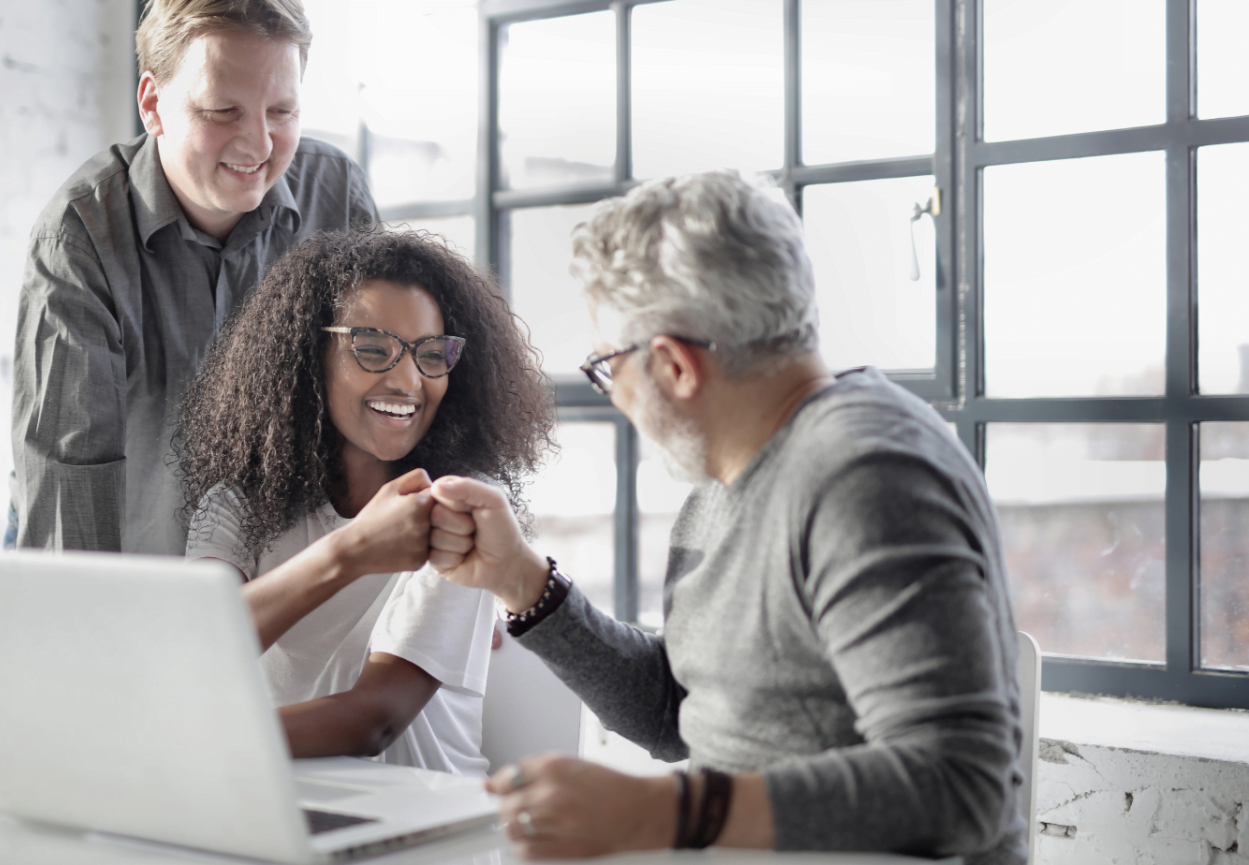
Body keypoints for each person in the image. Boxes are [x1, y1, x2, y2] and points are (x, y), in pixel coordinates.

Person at [426, 170, 1026, 861]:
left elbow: (963, 787)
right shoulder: (726, 475)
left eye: (606, 368)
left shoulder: (866, 475)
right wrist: (523, 580)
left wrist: (662, 810)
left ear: (675, 366)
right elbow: (675, 711)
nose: (614, 397)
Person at [174, 227, 554, 775]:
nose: (409, 381)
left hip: (425, 824)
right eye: (372, 349)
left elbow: (374, 720)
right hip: (276, 803)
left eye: (432, 354)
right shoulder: (235, 506)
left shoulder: (461, 510)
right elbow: (197, 651)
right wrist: (351, 550)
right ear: (306, 356)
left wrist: (189, 740)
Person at [11, 0, 377, 554]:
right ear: (153, 105)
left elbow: (391, 401)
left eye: (282, 111)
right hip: (140, 578)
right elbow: (70, 479)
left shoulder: (337, 197)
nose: (257, 144)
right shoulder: (79, 236)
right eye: (223, 110)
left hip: (292, 590)